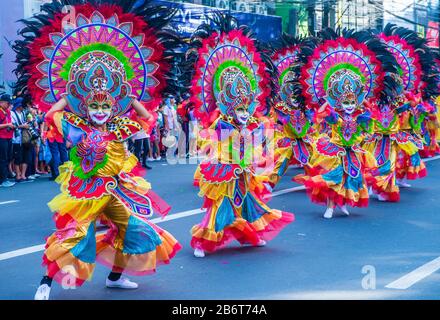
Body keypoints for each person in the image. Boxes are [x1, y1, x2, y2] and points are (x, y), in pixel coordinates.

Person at [11, 0, 183, 300]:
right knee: (74, 238)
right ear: (85, 106)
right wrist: (67, 98)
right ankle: (46, 283)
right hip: (86, 194)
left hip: (115, 191)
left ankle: (115, 277)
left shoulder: (119, 126)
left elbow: (147, 118)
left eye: (106, 105)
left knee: (136, 231)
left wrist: (130, 100)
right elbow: (52, 114)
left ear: (113, 106)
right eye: (94, 105)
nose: (101, 109)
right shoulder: (77, 128)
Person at [185, 13, 294, 257]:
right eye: (240, 108)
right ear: (228, 105)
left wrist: (261, 155)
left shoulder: (252, 123)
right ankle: (203, 242)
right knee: (220, 207)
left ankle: (249, 235)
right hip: (224, 171)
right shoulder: (222, 123)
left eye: (247, 108)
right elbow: (204, 140)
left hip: (243, 172)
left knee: (247, 205)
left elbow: (262, 139)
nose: (244, 113)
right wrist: (211, 152)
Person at [296, 28, 399, 219]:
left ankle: (343, 203)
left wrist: (367, 109)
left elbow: (368, 124)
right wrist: (329, 106)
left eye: (352, 102)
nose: (350, 106)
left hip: (352, 151)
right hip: (335, 151)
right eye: (346, 102)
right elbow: (322, 116)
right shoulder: (334, 115)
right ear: (339, 101)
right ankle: (330, 206)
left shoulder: (359, 116)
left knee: (352, 178)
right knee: (333, 179)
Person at [11, 97, 33, 183]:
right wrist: (23, 126)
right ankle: (18, 175)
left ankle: (23, 175)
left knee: (26, 157)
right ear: (19, 105)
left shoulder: (24, 113)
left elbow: (29, 122)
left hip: (25, 138)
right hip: (16, 139)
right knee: (17, 158)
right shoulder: (12, 113)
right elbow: (13, 125)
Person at [0, 94, 15, 187]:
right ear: (2, 102)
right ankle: (3, 180)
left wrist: (11, 126)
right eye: (8, 103)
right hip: (1, 138)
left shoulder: (8, 112)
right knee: (3, 159)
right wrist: (7, 125)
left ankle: (5, 178)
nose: (9, 105)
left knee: (8, 159)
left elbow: (9, 123)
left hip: (9, 137)